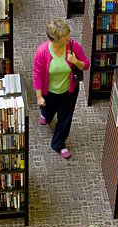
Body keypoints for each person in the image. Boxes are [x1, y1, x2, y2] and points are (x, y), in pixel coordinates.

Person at [33, 19, 89, 159]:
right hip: (49, 92)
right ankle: (45, 114)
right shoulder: (42, 51)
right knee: (48, 112)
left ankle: (59, 144)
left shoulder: (72, 46)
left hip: (68, 91)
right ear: (55, 39)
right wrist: (39, 96)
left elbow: (86, 65)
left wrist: (75, 61)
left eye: (67, 35)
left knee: (65, 118)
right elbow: (37, 74)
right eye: (64, 36)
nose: (68, 38)